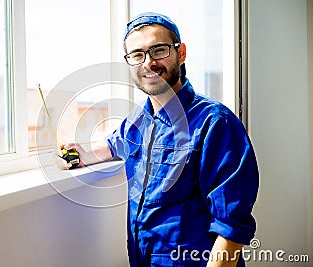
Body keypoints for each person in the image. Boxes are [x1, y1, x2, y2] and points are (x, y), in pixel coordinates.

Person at [55, 12, 259, 267]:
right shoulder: (138, 120)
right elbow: (114, 144)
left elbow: (231, 228)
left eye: (159, 50)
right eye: (137, 55)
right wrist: (81, 154)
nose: (148, 63)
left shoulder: (216, 123)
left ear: (181, 53)